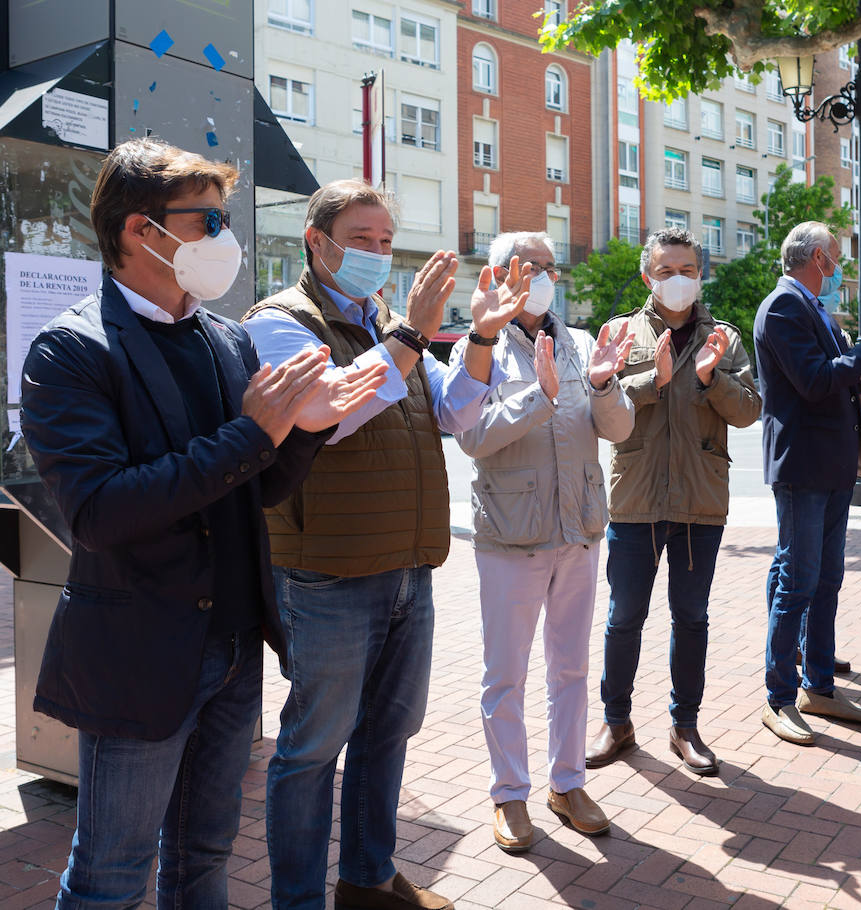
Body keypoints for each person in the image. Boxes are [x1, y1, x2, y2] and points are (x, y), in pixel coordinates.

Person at [21, 139, 386, 909]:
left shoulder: (225, 340)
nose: (226, 237)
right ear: (139, 231)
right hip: (141, 655)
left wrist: (304, 430)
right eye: (208, 219)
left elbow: (253, 491)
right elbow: (101, 511)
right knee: (110, 876)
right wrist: (255, 433)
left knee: (205, 857)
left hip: (229, 651)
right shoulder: (72, 349)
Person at [243, 180, 526, 910]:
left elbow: (459, 412)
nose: (375, 253)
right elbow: (322, 414)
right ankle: (297, 900)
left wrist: (482, 337)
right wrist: (409, 336)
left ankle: (368, 878)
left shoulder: (387, 321)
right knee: (312, 749)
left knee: (388, 733)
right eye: (360, 238)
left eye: (382, 242)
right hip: (328, 574)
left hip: (408, 568)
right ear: (317, 241)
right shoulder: (278, 322)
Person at [456, 232, 634, 854]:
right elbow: (471, 436)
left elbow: (618, 429)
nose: (541, 276)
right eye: (528, 266)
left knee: (571, 668)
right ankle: (509, 792)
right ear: (500, 273)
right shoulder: (479, 347)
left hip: (579, 532)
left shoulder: (584, 342)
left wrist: (607, 386)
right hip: (512, 538)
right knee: (504, 674)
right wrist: (542, 397)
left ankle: (568, 782)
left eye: (548, 267)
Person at [587, 228, 760, 776]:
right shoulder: (618, 333)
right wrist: (651, 381)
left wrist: (711, 379)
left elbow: (750, 410)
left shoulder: (725, 339)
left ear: (700, 274)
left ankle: (685, 726)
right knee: (624, 617)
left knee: (691, 618)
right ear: (647, 277)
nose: (677, 281)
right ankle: (616, 721)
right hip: (635, 498)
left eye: (687, 270)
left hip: (699, 503)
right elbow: (599, 410)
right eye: (665, 272)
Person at [753, 221, 861, 745]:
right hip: (803, 468)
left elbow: (831, 391)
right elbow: (816, 379)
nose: (839, 267)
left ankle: (818, 685)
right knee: (798, 581)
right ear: (818, 258)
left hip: (831, 465)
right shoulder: (783, 306)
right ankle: (780, 696)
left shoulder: (813, 307)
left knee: (825, 581)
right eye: (836, 257)